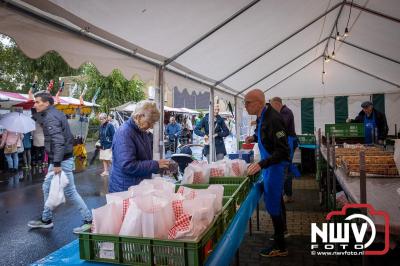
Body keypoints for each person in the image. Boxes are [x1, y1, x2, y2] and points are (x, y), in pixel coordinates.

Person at [27, 92, 92, 233]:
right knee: (46, 187)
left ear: (47, 103)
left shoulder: (50, 118)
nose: (35, 104)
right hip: (60, 159)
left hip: (61, 160)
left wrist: (56, 164)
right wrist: (31, 103)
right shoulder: (53, 113)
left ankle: (89, 220)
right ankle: (46, 219)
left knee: (70, 192)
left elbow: (58, 141)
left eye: (37, 102)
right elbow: (38, 117)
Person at [245, 89, 290, 257]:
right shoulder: (262, 116)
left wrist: (261, 164)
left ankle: (280, 246)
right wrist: (254, 138)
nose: (245, 106)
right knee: (275, 201)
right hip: (269, 165)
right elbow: (266, 136)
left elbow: (283, 151)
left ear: (258, 102)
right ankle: (280, 234)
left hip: (275, 166)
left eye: (247, 102)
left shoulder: (274, 119)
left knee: (272, 205)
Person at [109, 100, 170, 192]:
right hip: (125, 189)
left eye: (153, 123)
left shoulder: (141, 131)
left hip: (135, 186)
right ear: (139, 116)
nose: (152, 126)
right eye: (150, 122)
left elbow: (143, 159)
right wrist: (155, 165)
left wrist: (159, 167)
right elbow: (127, 165)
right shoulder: (124, 133)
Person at [270, 97, 300, 203]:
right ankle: (287, 194)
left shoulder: (286, 112)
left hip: (289, 143)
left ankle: (285, 195)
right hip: (286, 142)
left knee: (285, 169)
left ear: (277, 104)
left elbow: (281, 128)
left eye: (272, 107)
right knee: (285, 169)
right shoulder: (283, 112)